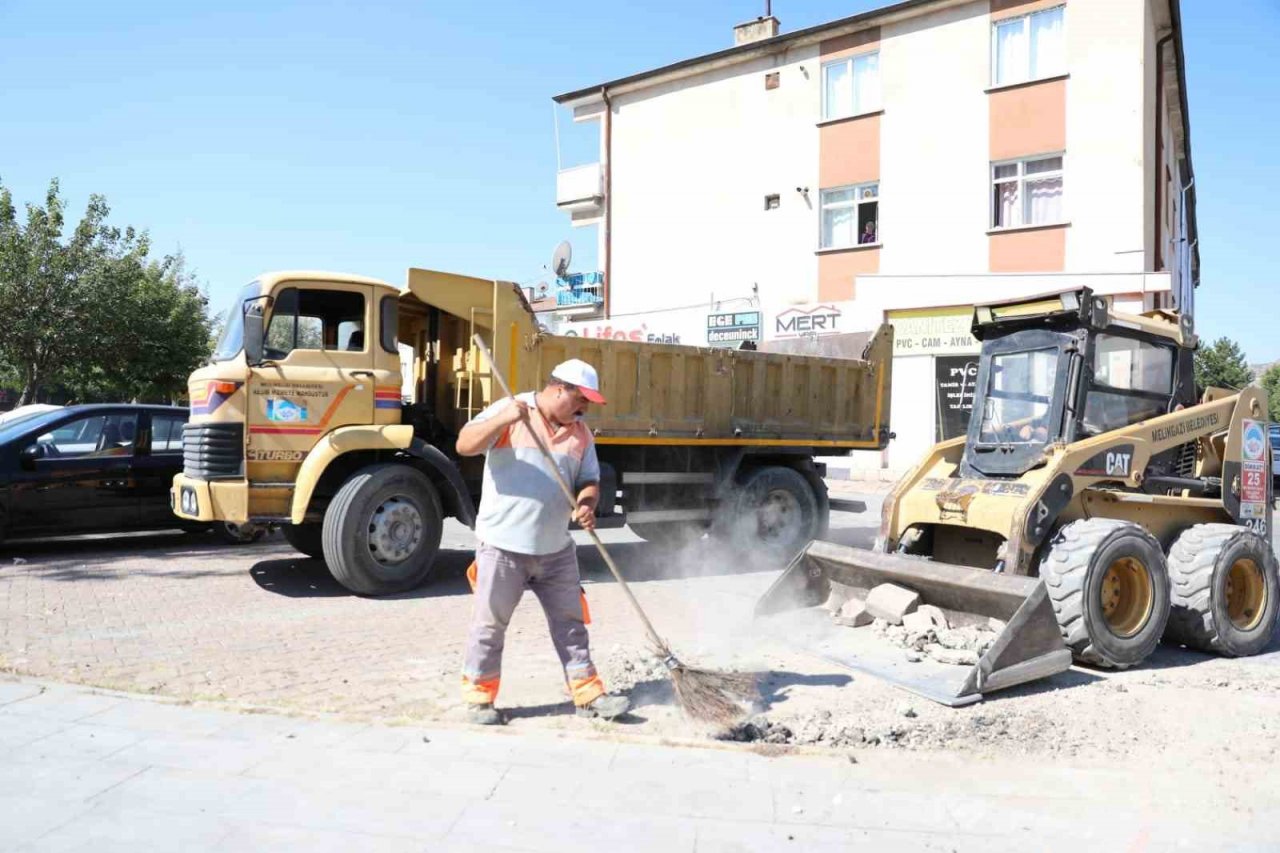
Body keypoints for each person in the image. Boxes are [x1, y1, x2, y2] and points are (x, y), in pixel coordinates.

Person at [454, 358, 631, 726]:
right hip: (503, 547)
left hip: (555, 550)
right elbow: (465, 445)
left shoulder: (581, 433)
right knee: (490, 625)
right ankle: (478, 699)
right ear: (559, 389)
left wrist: (586, 504)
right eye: (580, 400)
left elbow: (589, 480)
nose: (584, 409)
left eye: (588, 404)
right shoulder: (511, 410)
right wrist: (504, 420)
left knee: (571, 625)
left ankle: (588, 695)